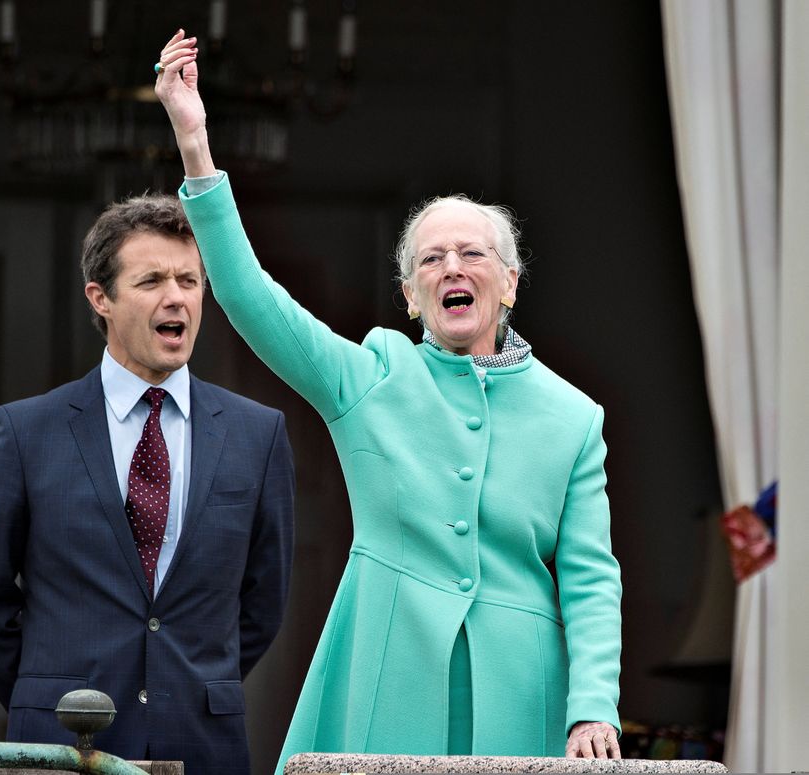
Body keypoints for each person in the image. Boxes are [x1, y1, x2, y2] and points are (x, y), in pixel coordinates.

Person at [154, 29, 622, 769]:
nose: (452, 267)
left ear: (510, 282)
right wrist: (195, 143)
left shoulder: (574, 416)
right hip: (386, 674)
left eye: (472, 253)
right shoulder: (373, 375)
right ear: (411, 296)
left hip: (523, 688)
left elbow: (592, 577)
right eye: (431, 259)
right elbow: (250, 298)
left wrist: (593, 701)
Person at [0, 192, 295, 775]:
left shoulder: (259, 435)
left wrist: (188, 684)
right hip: (61, 744)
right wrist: (45, 689)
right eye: (151, 279)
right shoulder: (26, 431)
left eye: (189, 279)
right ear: (100, 298)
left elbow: (262, 603)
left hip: (203, 744)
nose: (176, 296)